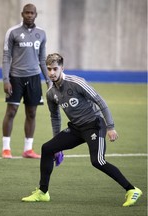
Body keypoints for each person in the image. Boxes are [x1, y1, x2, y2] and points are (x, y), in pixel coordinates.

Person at [21, 53, 142, 206]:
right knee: (47, 148)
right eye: (49, 69)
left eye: (55, 69)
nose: (51, 73)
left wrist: (110, 127)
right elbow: (55, 117)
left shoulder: (77, 82)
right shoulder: (51, 93)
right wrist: (57, 144)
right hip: (76, 128)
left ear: (62, 68)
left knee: (98, 161)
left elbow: (100, 101)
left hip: (94, 125)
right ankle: (43, 192)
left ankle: (132, 190)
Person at [1, 4, 51, 159]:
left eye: (32, 13)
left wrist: (48, 80)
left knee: (32, 113)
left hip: (34, 78)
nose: (29, 15)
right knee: (11, 112)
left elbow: (42, 59)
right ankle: (6, 148)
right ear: (22, 14)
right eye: (27, 13)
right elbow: (6, 57)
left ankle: (28, 149)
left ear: (36, 15)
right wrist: (6, 79)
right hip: (15, 78)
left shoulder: (41, 33)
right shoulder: (13, 32)